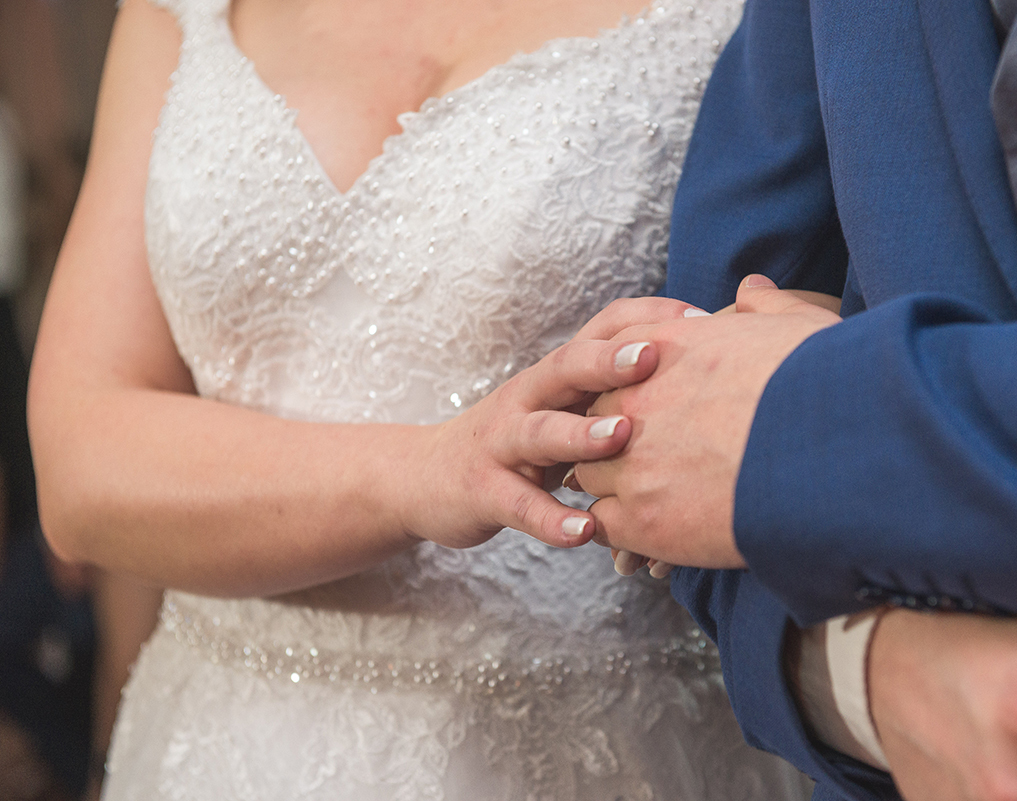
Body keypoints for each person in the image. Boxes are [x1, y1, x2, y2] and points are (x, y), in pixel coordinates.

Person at [27, 0, 811, 798]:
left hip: (603, 737)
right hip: (222, 745)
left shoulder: (759, 20)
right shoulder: (176, 13)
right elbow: (78, 462)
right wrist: (428, 469)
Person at [570, 0, 1017, 799]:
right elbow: (682, 414)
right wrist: (865, 670)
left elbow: (734, 422)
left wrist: (805, 424)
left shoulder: (807, 417)